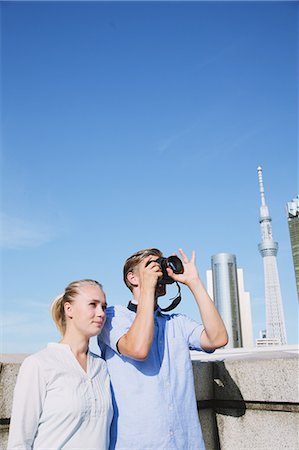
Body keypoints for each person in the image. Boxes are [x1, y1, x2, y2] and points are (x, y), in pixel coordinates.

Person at [98, 248, 228, 450]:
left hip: (187, 442)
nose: (159, 271)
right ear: (132, 278)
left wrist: (194, 282)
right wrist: (148, 290)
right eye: (151, 265)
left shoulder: (177, 322)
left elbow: (218, 338)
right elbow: (138, 349)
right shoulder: (112, 317)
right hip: (138, 444)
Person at [7, 279, 113, 450]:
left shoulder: (102, 367)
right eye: (92, 304)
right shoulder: (39, 364)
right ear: (68, 309)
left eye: (104, 306)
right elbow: (19, 443)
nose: (101, 313)